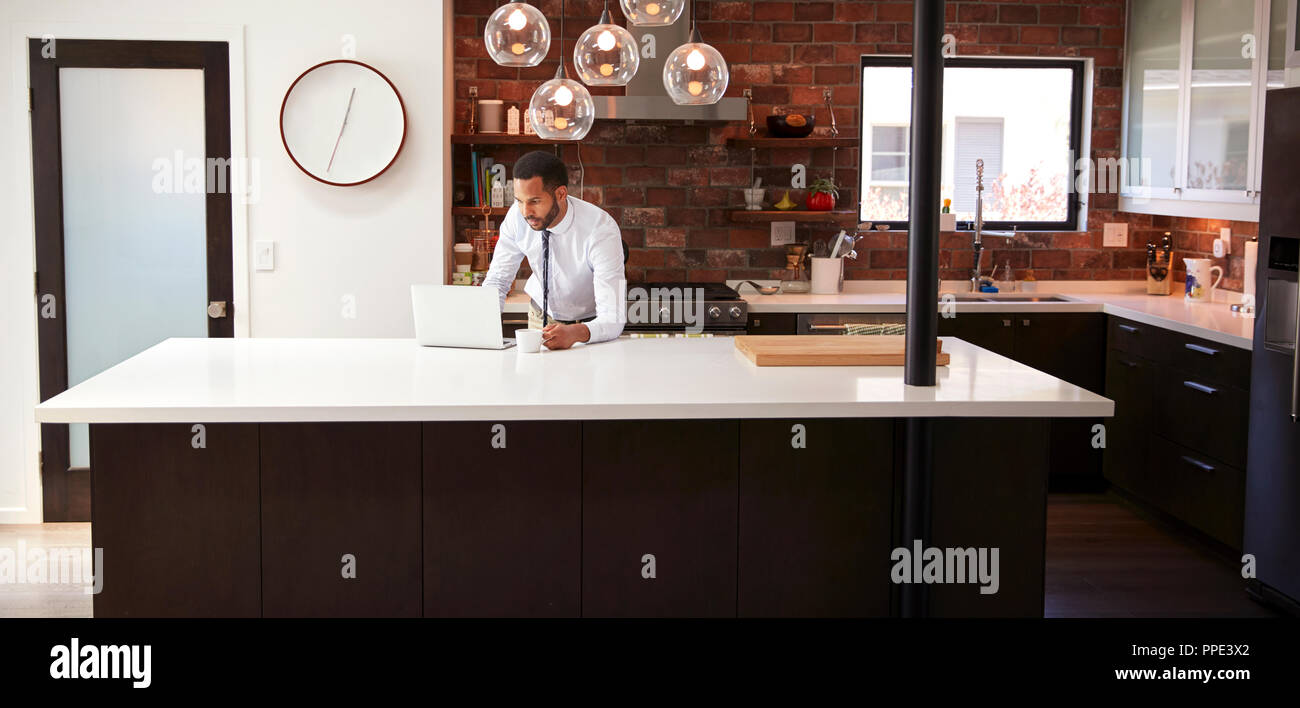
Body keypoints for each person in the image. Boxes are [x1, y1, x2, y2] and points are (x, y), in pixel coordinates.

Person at [482, 150, 625, 349]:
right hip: (538, 316)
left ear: (561, 194)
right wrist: (481, 333)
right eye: (519, 201)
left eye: (534, 201)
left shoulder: (600, 230)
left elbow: (613, 318)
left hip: (590, 327)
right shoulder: (517, 216)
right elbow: (497, 280)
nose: (525, 212)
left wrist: (576, 333)